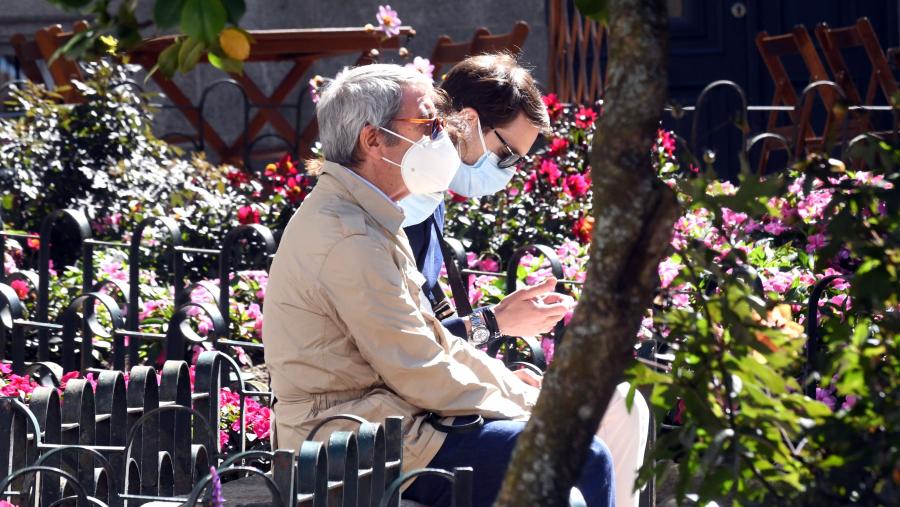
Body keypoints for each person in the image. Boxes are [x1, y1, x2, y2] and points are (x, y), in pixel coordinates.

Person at [263, 63, 615, 507]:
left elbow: (433, 343)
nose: (443, 135)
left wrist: (521, 395)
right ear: (372, 140)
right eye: (428, 125)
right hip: (350, 445)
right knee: (584, 456)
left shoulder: (370, 215)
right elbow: (418, 367)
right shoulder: (350, 236)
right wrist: (527, 405)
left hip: (390, 424)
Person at [400, 53, 650, 507]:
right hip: (408, 424)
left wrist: (494, 371)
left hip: (439, 399)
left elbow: (431, 325)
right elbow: (402, 349)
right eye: (507, 153)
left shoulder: (427, 200)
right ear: (469, 121)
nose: (509, 170)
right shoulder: (393, 208)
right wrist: (494, 324)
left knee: (622, 402)